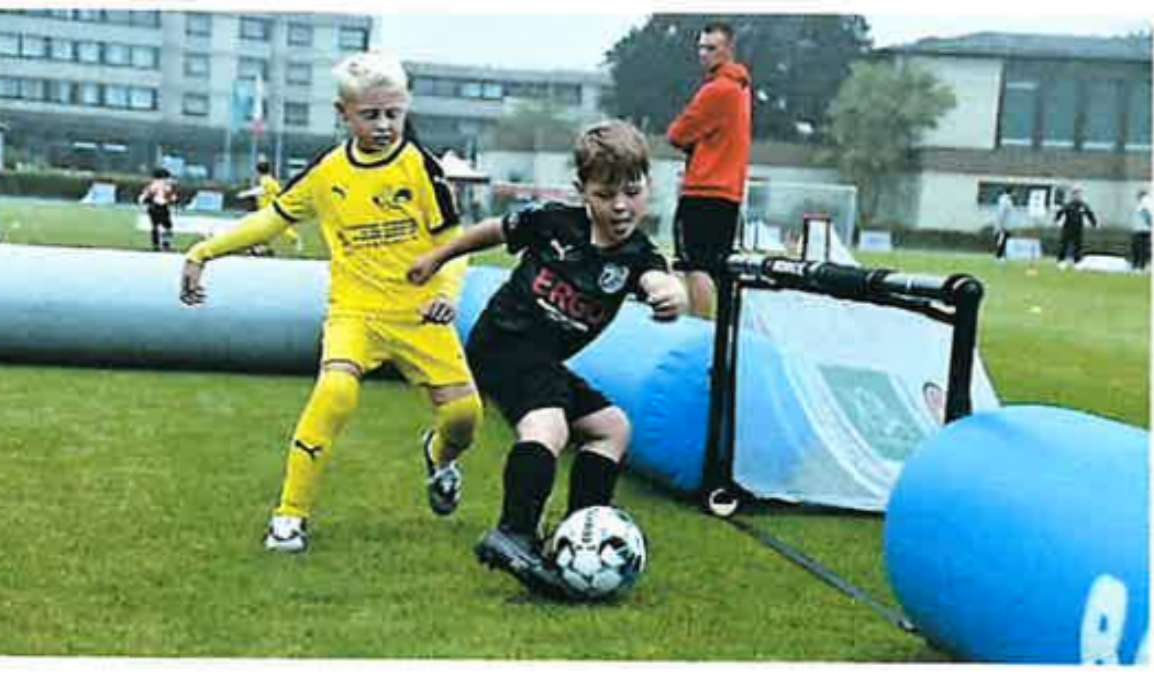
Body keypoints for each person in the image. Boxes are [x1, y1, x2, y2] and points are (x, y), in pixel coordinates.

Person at [178, 51, 483, 553]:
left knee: (464, 419)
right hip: (354, 314)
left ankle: (440, 458)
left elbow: (455, 243)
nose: (385, 125)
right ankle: (289, 517)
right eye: (371, 114)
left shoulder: (421, 168)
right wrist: (204, 252)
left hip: (419, 314)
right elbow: (271, 219)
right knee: (334, 393)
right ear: (344, 115)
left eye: (394, 113)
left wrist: (446, 295)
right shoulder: (326, 173)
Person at [408, 120, 688, 596]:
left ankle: (580, 533)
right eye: (606, 194)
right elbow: (494, 230)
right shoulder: (554, 222)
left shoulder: (638, 255)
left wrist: (673, 296)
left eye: (632, 191)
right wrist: (438, 257)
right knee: (549, 426)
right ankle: (514, 533)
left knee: (612, 427)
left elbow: (659, 281)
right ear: (583, 191)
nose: (621, 206)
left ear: (648, 187)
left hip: (544, 361)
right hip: (502, 344)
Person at [666, 21, 752, 318]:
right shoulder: (741, 88)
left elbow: (677, 134)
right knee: (716, 267)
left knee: (694, 266)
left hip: (704, 189)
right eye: (701, 47)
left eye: (711, 48)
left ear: (728, 50)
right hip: (729, 193)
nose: (703, 54)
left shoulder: (717, 90)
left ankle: (699, 332)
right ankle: (717, 335)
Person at [236, 159, 300, 255]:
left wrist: (245, 194)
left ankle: (293, 239)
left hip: (269, 209)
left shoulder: (266, 180)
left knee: (274, 227)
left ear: (258, 171)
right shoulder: (270, 179)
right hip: (267, 208)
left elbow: (262, 190)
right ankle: (260, 246)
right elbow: (277, 191)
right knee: (273, 227)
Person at [1054, 186, 1097, 269]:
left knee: (1078, 245)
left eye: (1079, 194)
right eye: (1076, 194)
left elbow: (1090, 214)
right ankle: (1061, 261)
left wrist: (1094, 223)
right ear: (1072, 195)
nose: (1078, 196)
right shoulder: (1068, 205)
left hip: (1078, 228)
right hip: (1067, 227)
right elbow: (1060, 213)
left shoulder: (1083, 205)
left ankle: (1077, 262)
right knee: (1064, 245)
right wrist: (1057, 220)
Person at [138, 167, 178, 252]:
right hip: (163, 207)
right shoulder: (166, 185)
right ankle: (166, 244)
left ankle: (155, 245)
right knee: (167, 226)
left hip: (153, 207)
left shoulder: (152, 185)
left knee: (155, 226)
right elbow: (173, 198)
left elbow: (143, 197)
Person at [1130, 189, 1151, 272]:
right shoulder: (1146, 203)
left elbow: (1147, 215)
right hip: (1143, 230)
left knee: (1138, 249)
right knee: (1142, 249)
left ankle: (1138, 266)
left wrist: (1150, 223)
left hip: (1141, 231)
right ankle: (1139, 265)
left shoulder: (1143, 204)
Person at [994, 188, 1013, 261]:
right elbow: (1001, 213)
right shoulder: (1004, 201)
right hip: (1003, 225)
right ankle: (999, 256)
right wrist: (1001, 225)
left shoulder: (1006, 200)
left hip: (1006, 224)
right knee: (1002, 240)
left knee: (1004, 240)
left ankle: (1002, 255)